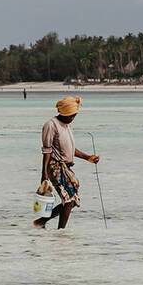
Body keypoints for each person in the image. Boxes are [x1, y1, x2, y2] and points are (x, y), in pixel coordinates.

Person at [34, 96, 100, 230]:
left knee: (73, 200)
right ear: (64, 113)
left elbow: (70, 148)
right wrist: (44, 173)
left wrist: (88, 157)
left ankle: (41, 222)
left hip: (66, 167)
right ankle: (61, 233)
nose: (72, 118)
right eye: (71, 116)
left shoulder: (67, 125)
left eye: (74, 116)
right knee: (69, 200)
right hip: (55, 167)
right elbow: (47, 151)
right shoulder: (51, 125)